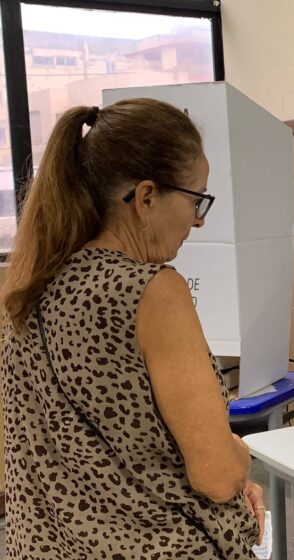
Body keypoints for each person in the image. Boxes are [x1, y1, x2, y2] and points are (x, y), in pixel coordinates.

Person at [1, 100, 264, 558]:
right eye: (196, 199)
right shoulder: (153, 293)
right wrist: (239, 456)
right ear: (146, 198)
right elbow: (217, 476)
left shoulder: (22, 291)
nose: (198, 221)